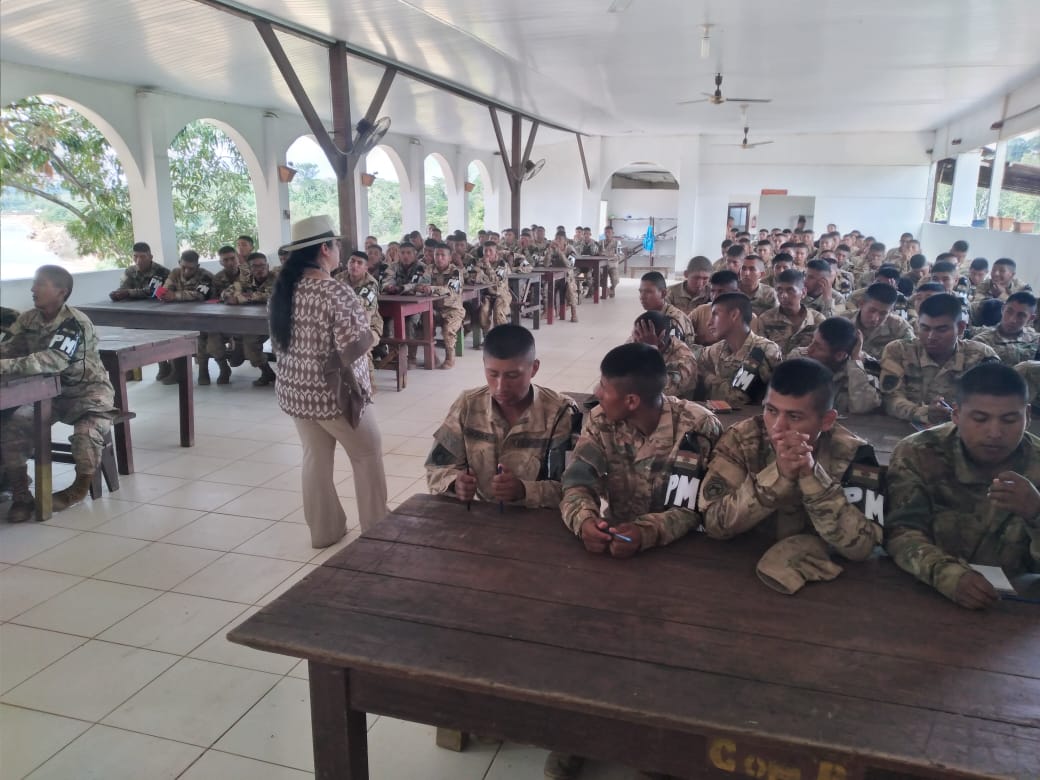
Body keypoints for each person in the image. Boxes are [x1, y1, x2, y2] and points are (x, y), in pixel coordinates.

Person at [699, 358, 884, 594]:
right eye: (771, 410)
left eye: (794, 417)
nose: (777, 427)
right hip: (737, 571)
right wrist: (776, 478)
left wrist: (811, 476)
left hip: (827, 585)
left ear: (826, 420)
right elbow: (714, 523)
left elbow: (864, 548)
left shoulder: (854, 454)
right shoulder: (741, 440)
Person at [269, 215, 388, 548]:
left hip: (295, 393)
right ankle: (377, 532)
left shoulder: (282, 291)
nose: (339, 251)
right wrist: (363, 394)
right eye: (336, 245)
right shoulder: (334, 291)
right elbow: (356, 348)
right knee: (367, 455)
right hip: (333, 395)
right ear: (325, 249)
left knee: (315, 458)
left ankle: (325, 531)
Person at [885, 363, 1040, 608]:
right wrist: (946, 574)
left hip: (1015, 609)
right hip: (924, 593)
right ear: (956, 414)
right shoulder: (918, 452)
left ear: (1028, 416)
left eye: (1009, 420)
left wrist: (1036, 513)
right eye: (980, 418)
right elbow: (900, 532)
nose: (995, 432)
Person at [561, 343, 722, 552]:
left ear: (631, 401)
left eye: (604, 387)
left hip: (683, 549)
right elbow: (577, 481)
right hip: (615, 540)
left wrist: (647, 532)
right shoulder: (601, 421)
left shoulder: (698, 428)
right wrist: (584, 521)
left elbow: (696, 506)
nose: (596, 392)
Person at [1, 265, 116, 521]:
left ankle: (77, 489)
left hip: (88, 393)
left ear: (61, 292)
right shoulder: (28, 319)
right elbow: (9, 349)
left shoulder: (74, 323)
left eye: (40, 284)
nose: (33, 289)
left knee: (86, 434)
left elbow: (54, 360)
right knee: (13, 426)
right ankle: (21, 494)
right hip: (46, 395)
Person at [425, 324, 578, 509]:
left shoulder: (559, 413)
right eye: (493, 374)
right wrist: (455, 483)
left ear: (534, 368)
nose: (500, 386)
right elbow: (436, 468)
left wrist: (524, 490)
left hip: (539, 523)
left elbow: (573, 488)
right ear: (484, 365)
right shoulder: (468, 405)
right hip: (481, 519)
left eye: (512, 375)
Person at [880, 293, 999, 426]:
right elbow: (890, 398)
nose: (931, 336)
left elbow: (994, 404)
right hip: (903, 429)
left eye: (941, 329)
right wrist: (922, 412)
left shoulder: (980, 356)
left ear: (960, 327)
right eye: (925, 328)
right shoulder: (899, 351)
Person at [697, 293, 781, 406]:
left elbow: (736, 398)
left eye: (715, 315)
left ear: (734, 315)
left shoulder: (763, 349)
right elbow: (694, 360)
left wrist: (707, 376)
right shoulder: (718, 348)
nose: (709, 323)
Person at [787, 317, 881, 413]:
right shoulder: (798, 358)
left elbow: (863, 408)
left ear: (839, 355)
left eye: (818, 347)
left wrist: (855, 362)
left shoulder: (866, 366)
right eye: (812, 341)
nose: (809, 349)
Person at [109, 241, 171, 378]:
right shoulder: (130, 271)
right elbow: (123, 288)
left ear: (151, 257)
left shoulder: (162, 272)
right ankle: (129, 368)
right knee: (127, 334)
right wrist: (117, 294)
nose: (138, 260)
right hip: (135, 312)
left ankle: (163, 365)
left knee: (157, 337)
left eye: (142, 257)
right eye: (135, 256)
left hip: (158, 312)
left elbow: (153, 292)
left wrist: (128, 293)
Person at [225, 252, 277, 386]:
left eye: (262, 265)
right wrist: (234, 296)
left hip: (277, 321)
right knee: (250, 344)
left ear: (268, 265)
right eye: (255, 266)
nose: (260, 269)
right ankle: (267, 372)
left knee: (250, 342)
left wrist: (242, 298)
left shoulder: (277, 278)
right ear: (250, 268)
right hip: (254, 322)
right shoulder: (246, 280)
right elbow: (226, 293)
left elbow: (271, 295)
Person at [416, 243, 466, 369]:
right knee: (422, 325)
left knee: (448, 330)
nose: (439, 258)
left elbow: (450, 290)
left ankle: (450, 358)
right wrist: (422, 287)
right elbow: (421, 284)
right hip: (434, 308)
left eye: (443, 255)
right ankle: (432, 356)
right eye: (437, 255)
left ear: (449, 258)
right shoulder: (429, 269)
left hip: (453, 310)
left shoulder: (456, 272)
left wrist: (431, 288)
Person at [752, 269, 824, 354]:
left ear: (803, 292)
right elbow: (761, 353)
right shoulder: (765, 319)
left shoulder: (818, 320)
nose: (783, 295)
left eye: (790, 290)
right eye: (779, 290)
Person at [631, 310, 698, 398]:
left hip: (674, 408)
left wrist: (651, 352)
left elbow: (655, 390)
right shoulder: (637, 340)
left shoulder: (686, 360)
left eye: (637, 341)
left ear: (661, 340)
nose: (633, 343)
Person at [843, 282, 914, 362]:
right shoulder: (842, 321)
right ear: (861, 304)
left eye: (883, 313)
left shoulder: (900, 327)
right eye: (871, 310)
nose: (875, 318)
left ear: (891, 311)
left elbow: (912, 356)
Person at [970, 291, 1038, 366]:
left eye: (1021, 315)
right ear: (1002, 309)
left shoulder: (1036, 340)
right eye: (1009, 312)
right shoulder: (982, 341)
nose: (1012, 320)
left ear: (1031, 318)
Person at [638, 272, 695, 348]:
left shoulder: (674, 320)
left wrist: (652, 346)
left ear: (663, 293)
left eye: (648, 292)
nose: (642, 297)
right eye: (641, 291)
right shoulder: (649, 316)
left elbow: (673, 354)